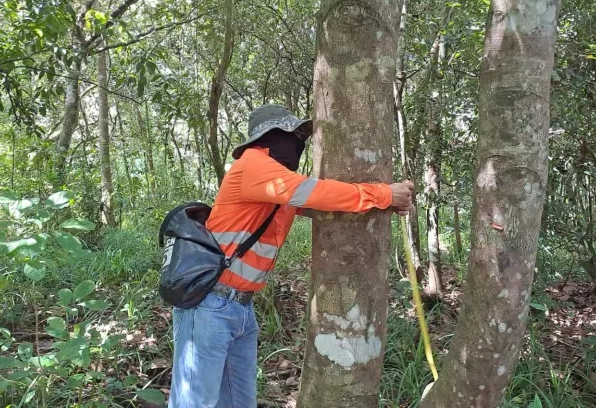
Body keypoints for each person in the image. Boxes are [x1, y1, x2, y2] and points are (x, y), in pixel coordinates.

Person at [169, 104, 414, 408]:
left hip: (239, 309)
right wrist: (384, 194)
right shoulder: (253, 164)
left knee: (238, 403)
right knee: (194, 403)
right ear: (271, 136)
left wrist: (387, 203)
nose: (298, 142)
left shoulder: (275, 182)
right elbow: (318, 192)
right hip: (210, 304)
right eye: (293, 134)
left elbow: (320, 204)